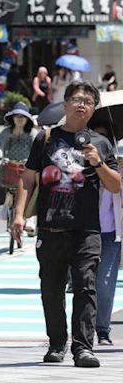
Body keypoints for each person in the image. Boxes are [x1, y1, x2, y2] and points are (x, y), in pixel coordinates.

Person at [11, 81, 121, 368]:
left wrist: (99, 164)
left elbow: (114, 185)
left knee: (86, 287)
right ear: (66, 104)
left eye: (88, 101)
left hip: (87, 229)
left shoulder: (100, 144)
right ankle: (57, 343)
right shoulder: (46, 138)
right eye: (76, 99)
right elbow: (29, 178)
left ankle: (83, 347)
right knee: (51, 288)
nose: (81, 104)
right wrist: (18, 215)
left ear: (93, 108)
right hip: (51, 227)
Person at [92, 124, 122, 346]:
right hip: (82, 233)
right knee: (85, 284)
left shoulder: (116, 167)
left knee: (105, 283)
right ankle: (80, 330)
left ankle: (102, 329)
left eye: (103, 138)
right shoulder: (78, 168)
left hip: (111, 234)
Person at [0, 102, 38, 235]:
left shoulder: (32, 133)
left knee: (30, 191)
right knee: (8, 188)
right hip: (10, 166)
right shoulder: (7, 132)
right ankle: (7, 207)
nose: (19, 118)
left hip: (27, 168)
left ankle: (30, 219)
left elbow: (37, 148)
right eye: (16, 116)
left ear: (27, 118)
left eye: (22, 116)